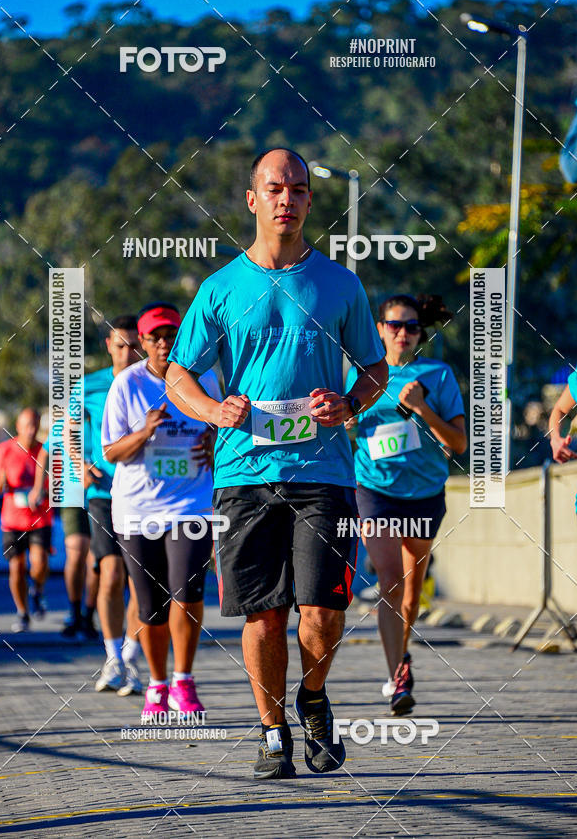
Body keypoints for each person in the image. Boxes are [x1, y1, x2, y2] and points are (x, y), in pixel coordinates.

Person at [166, 147, 388, 779]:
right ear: (253, 200)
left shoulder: (340, 284)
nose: (286, 198)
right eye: (275, 188)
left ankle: (313, 699)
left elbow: (376, 368)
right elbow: (177, 374)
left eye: (297, 188)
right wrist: (213, 409)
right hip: (244, 474)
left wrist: (349, 402)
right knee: (262, 615)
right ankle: (271, 732)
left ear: (310, 201)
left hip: (324, 473)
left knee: (323, 611)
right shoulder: (220, 289)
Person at [345, 294, 466, 715]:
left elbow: (459, 443)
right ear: (379, 329)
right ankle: (397, 677)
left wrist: (422, 408)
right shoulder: (360, 376)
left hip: (424, 494)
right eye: (394, 325)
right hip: (374, 491)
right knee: (390, 582)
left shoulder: (438, 374)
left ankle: (404, 652)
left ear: (420, 333)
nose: (402, 333)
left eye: (411, 327)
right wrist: (347, 424)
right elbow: (344, 432)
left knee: (412, 594)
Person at [102, 302, 220, 719]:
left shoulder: (203, 380)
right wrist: (145, 431)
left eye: (171, 335)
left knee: (187, 596)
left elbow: (222, 426)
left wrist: (213, 443)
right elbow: (112, 452)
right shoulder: (127, 385)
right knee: (150, 605)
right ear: (143, 343)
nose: (164, 343)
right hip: (137, 509)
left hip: (192, 505)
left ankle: (183, 681)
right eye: (155, 337)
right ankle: (157, 683)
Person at [72, 316, 144, 694]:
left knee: (140, 580)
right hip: (102, 493)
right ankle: (112, 657)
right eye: (121, 345)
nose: (128, 352)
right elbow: (66, 431)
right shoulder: (89, 386)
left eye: (134, 345)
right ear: (108, 346)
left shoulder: (154, 382)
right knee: (111, 574)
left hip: (143, 494)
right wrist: (78, 465)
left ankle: (131, 657)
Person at [29, 435, 99, 640]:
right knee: (77, 551)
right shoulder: (69, 420)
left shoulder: (105, 412)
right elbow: (44, 452)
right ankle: (75, 613)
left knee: (95, 560)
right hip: (72, 496)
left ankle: (89, 615)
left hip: (102, 495)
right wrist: (38, 486)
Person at [0, 408, 52, 632]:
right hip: (12, 520)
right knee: (16, 568)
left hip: (39, 518)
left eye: (34, 425)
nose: (31, 430)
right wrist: (2, 483)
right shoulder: (5, 449)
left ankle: (36, 590)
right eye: (27, 425)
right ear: (18, 426)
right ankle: (22, 612)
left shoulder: (44, 450)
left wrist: (41, 492)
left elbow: (57, 484)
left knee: (40, 564)